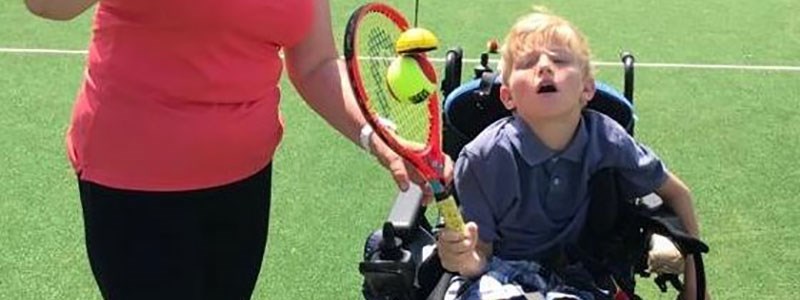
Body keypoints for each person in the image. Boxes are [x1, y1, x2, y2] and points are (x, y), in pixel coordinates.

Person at [25, 0, 431, 299]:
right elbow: (45, 5)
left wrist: (375, 135)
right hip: (135, 185)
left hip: (243, 181)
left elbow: (315, 64)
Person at [436, 8, 705, 300]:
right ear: (507, 96)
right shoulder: (482, 158)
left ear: (587, 88)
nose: (544, 67)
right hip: (500, 276)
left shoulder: (608, 139)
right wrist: (462, 259)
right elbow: (480, 257)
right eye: (527, 63)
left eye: (560, 60)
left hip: (581, 278)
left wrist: (696, 288)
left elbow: (678, 194)